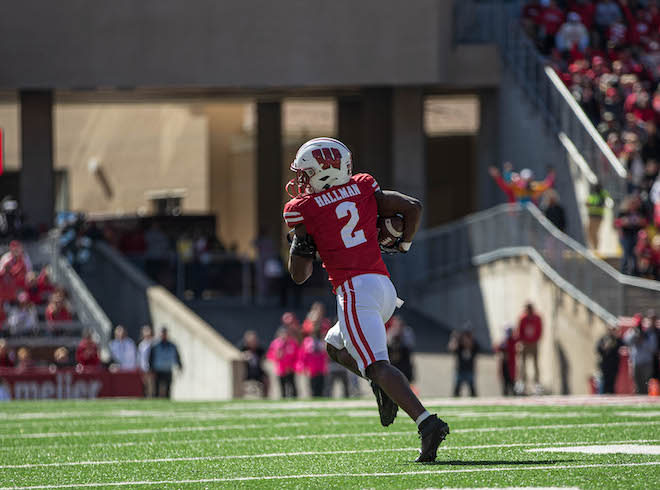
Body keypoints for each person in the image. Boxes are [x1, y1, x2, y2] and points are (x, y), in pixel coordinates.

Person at [283, 137, 449, 462]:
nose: (300, 181)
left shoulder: (302, 209)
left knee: (377, 364)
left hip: (355, 291)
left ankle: (427, 423)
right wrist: (403, 245)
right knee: (336, 346)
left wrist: (299, 244)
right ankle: (383, 387)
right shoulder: (362, 186)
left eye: (305, 174)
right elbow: (412, 207)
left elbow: (299, 275)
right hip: (383, 286)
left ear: (322, 173)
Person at [624, 314, 658, 394]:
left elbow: (653, 348)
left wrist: (643, 341)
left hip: (646, 362)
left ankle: (645, 399)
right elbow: (626, 341)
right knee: (637, 384)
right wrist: (635, 335)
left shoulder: (648, 332)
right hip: (636, 362)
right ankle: (638, 399)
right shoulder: (633, 332)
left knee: (645, 383)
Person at [149, 327, 183, 398]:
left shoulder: (172, 345)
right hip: (157, 369)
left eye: (165, 333)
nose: (163, 335)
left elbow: (177, 356)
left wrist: (179, 365)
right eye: (162, 333)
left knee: (168, 388)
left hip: (167, 369)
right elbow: (150, 358)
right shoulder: (155, 345)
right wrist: (151, 369)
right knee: (156, 389)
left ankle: (168, 401)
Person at [266, 327, 299, 398]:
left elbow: (297, 355)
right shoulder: (275, 343)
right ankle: (283, 398)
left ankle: (294, 398)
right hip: (281, 369)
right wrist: (276, 356)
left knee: (292, 385)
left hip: (290, 368)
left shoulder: (292, 343)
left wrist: (293, 366)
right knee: (282, 386)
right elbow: (270, 355)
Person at [517, 302, 543, 391]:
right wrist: (521, 341)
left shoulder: (537, 318)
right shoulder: (523, 318)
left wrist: (535, 340)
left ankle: (537, 384)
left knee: (535, 364)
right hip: (525, 343)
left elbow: (540, 330)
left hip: (533, 343)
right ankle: (522, 384)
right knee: (522, 364)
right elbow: (519, 331)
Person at [298, 324, 328, 397]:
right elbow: (303, 355)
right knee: (312, 387)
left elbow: (325, 354)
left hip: (321, 367)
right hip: (311, 368)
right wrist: (304, 367)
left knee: (321, 386)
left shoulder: (322, 341)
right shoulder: (307, 341)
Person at [448, 327, 480, 397]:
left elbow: (474, 347)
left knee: (473, 391)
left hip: (470, 370)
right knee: (456, 391)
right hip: (460, 370)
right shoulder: (459, 345)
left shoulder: (474, 345)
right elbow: (451, 348)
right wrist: (454, 338)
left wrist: (469, 341)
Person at [239, 330, 268, 398]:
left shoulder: (260, 349)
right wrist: (244, 356)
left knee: (266, 380)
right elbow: (237, 355)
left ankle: (266, 397)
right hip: (247, 372)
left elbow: (265, 357)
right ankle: (239, 397)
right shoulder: (243, 348)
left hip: (258, 372)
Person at [386, 316, 415, 384]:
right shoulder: (391, 331)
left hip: (404, 358)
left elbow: (410, 345)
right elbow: (388, 343)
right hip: (393, 358)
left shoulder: (407, 332)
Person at [596, 325, 623, 394]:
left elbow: (623, 345)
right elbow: (598, 349)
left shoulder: (617, 339)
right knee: (604, 381)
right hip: (605, 364)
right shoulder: (603, 339)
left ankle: (611, 394)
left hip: (614, 364)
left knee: (612, 382)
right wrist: (605, 347)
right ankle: (603, 395)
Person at [586, 183, 610, 250]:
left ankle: (596, 248)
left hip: (598, 216)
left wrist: (592, 205)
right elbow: (588, 203)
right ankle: (593, 247)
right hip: (591, 216)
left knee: (595, 232)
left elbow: (601, 203)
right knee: (589, 232)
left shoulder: (602, 195)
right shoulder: (593, 195)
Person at [495, 326, 517, 396]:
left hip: (511, 367)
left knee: (512, 386)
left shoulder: (513, 341)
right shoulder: (503, 342)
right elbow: (498, 349)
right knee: (505, 387)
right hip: (505, 366)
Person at [137, 326, 155, 397]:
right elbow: (140, 357)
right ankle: (146, 396)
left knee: (151, 384)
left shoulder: (153, 343)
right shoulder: (141, 344)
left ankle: (151, 396)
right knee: (145, 384)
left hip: (151, 367)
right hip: (144, 367)